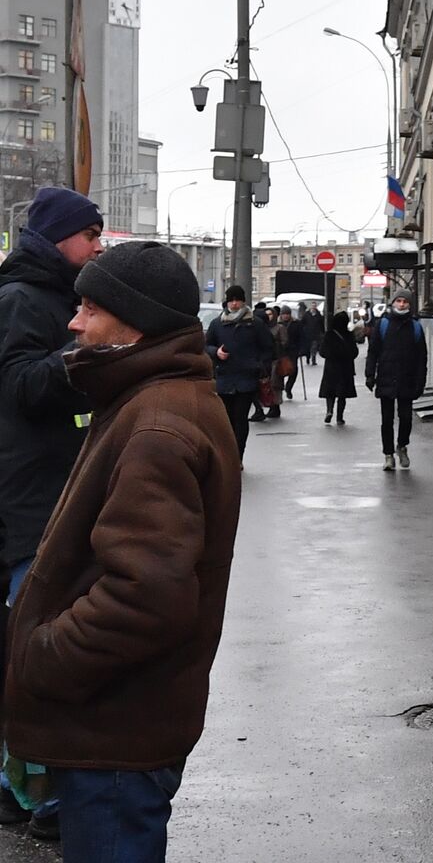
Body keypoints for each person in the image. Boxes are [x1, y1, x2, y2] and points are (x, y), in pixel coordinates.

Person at [4, 240, 241, 862]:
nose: (73, 322)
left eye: (89, 308)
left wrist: (44, 655)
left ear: (135, 321)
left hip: (114, 731)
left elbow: (146, 595)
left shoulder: (158, 422)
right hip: (119, 724)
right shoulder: (143, 398)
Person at [0, 184, 104, 840]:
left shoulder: (51, 296)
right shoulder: (21, 299)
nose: (97, 245)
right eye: (90, 234)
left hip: (43, 496)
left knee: (28, 652)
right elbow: (22, 384)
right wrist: (93, 353)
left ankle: (23, 788)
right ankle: (40, 795)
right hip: (29, 506)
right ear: (59, 238)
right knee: (40, 655)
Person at [205, 285, 274, 461]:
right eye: (231, 300)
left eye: (238, 300)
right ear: (227, 302)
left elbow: (269, 348)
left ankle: (237, 457)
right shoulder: (217, 323)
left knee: (240, 418)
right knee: (226, 421)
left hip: (246, 379)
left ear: (243, 301)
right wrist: (216, 352)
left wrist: (259, 365)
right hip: (224, 378)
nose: (235, 304)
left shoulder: (254, 324)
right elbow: (206, 346)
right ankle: (227, 456)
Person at [366, 289, 427, 471]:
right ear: (393, 303)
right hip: (386, 377)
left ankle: (402, 445)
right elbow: (373, 351)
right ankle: (388, 455)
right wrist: (370, 374)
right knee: (387, 420)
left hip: (407, 379)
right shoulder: (383, 324)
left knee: (406, 418)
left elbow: (421, 357)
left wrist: (420, 381)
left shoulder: (415, 327)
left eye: (405, 302)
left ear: (410, 304)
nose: (401, 304)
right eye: (398, 301)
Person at [318, 310, 358, 425]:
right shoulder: (349, 335)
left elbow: (322, 352)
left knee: (330, 392)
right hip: (345, 369)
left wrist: (332, 355)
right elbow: (354, 352)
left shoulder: (329, 335)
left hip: (331, 368)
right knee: (342, 394)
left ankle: (329, 410)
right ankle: (340, 417)